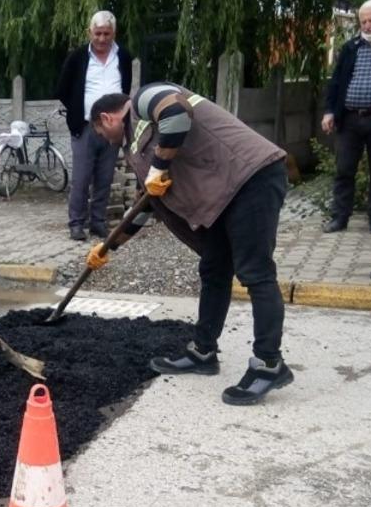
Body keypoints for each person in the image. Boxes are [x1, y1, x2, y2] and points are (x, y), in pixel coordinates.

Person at [87, 85, 292, 405]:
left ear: (107, 118)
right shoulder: (136, 147)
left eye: (100, 132)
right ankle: (203, 352)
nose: (104, 140)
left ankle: (269, 365)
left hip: (251, 179)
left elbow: (176, 112)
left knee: (256, 273)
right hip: (225, 197)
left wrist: (159, 167)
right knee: (213, 269)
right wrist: (107, 248)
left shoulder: (144, 99)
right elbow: (145, 204)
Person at [55, 10, 133, 241]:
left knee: (105, 177)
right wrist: (78, 113)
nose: (101, 39)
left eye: (106, 34)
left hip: (113, 129)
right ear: (90, 32)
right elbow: (62, 89)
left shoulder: (124, 57)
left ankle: (98, 223)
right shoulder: (78, 57)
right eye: (97, 33)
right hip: (86, 126)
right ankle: (76, 223)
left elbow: (126, 87)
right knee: (81, 178)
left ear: (114, 33)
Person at [321, 0, 371, 235]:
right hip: (349, 118)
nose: (368, 25)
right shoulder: (351, 47)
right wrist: (330, 111)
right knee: (344, 170)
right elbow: (336, 82)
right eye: (363, 21)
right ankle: (339, 217)